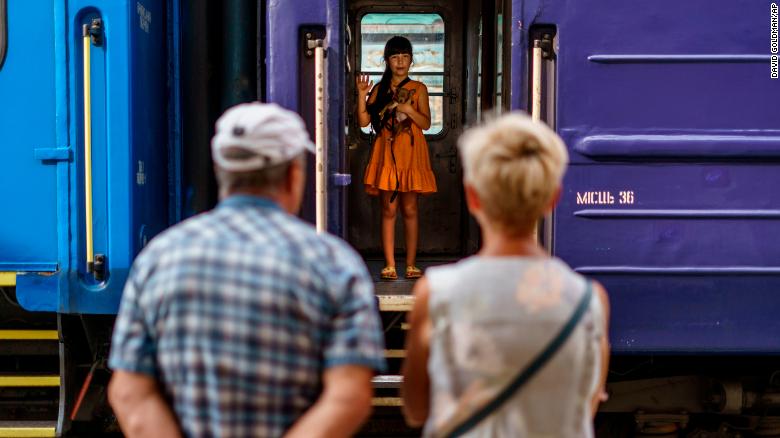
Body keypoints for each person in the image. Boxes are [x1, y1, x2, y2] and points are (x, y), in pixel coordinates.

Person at [107, 103, 387, 438]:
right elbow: (349, 396)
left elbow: (129, 393)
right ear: (294, 175)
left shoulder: (158, 258)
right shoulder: (335, 264)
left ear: (220, 169)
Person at [400, 113, 610, 437]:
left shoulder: (437, 292)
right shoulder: (590, 300)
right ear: (553, 199)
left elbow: (416, 410)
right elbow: (584, 406)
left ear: (472, 197)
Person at [356, 35, 437, 281]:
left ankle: (411, 264)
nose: (400, 62)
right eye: (394, 57)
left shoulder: (419, 89)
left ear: (411, 60)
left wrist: (409, 109)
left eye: (404, 57)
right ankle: (390, 265)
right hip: (387, 153)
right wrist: (361, 95)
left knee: (410, 209)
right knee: (388, 210)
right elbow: (363, 122)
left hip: (411, 155)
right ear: (387, 61)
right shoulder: (380, 89)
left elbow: (425, 124)